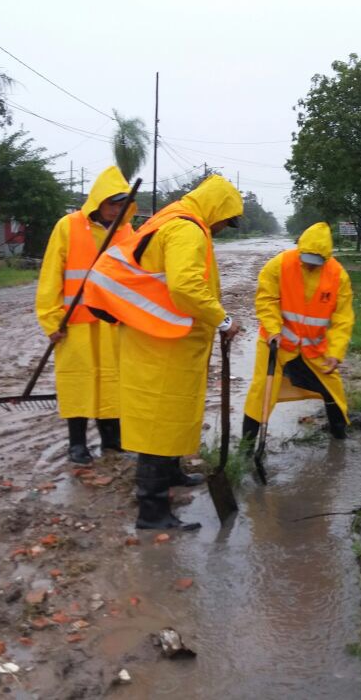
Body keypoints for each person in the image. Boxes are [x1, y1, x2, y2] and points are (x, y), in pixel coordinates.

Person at [82, 174, 243, 531]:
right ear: (216, 209)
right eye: (224, 221)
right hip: (161, 343)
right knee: (159, 419)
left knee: (172, 414)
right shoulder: (187, 229)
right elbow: (185, 286)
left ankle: (171, 474)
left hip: (165, 339)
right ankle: (152, 512)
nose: (222, 229)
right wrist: (223, 320)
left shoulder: (175, 219)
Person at [35, 166, 135, 464]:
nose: (116, 210)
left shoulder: (127, 231)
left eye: (122, 205)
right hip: (74, 323)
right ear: (99, 201)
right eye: (112, 204)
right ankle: (77, 444)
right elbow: (51, 276)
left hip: (113, 322)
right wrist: (51, 320)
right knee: (77, 381)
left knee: (112, 381)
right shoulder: (68, 226)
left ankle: (112, 441)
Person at [242, 222, 354, 442]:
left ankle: (339, 436)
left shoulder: (338, 275)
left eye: (317, 263)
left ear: (327, 257)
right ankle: (247, 446)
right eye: (307, 261)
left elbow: (343, 318)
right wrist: (273, 330)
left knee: (333, 389)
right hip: (277, 343)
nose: (311, 266)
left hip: (314, 348)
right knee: (261, 393)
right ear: (299, 249)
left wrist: (336, 351)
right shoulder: (279, 264)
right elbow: (267, 300)